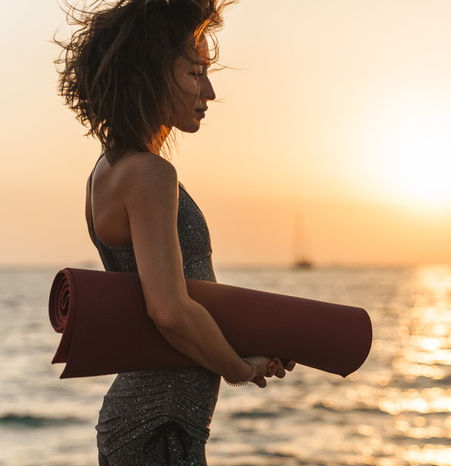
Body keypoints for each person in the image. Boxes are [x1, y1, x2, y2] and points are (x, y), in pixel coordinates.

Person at [55, 0, 295, 464]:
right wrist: (238, 369)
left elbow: (175, 302)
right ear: (148, 74)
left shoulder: (107, 170)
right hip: (159, 424)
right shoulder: (150, 175)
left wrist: (249, 345)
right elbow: (169, 311)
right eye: (195, 73)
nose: (208, 90)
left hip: (148, 419)